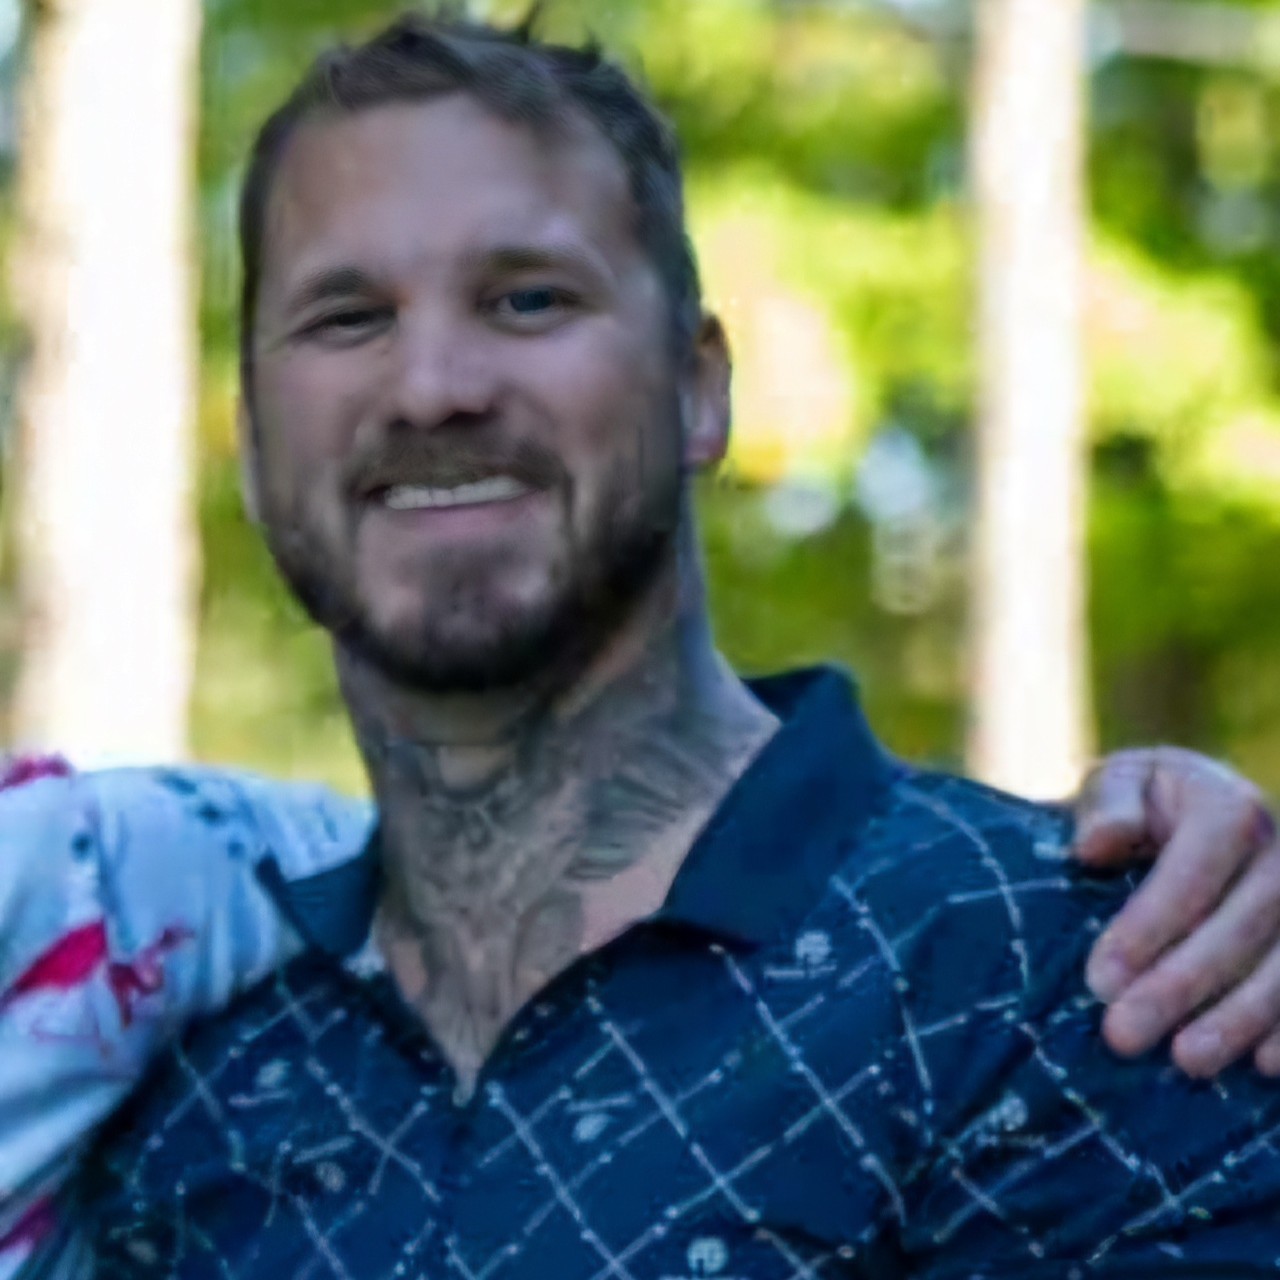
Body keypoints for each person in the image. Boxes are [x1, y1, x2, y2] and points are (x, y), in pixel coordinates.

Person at [6, 9, 1280, 1276]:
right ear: (254, 438)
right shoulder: (167, 1076)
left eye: (527, 298)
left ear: (697, 389)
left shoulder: (1077, 973)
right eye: (347, 317)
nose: (433, 385)